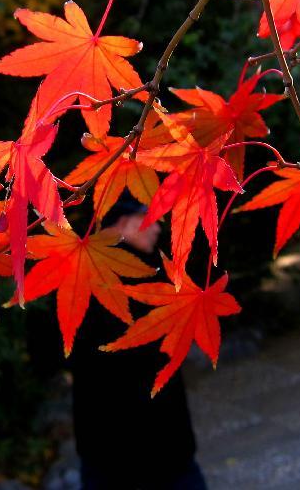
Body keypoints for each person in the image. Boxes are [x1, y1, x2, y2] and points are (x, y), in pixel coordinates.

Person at [69, 194, 207, 490]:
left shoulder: (151, 269)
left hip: (136, 448)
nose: (158, 227)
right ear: (125, 223)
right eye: (151, 217)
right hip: (134, 453)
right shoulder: (126, 279)